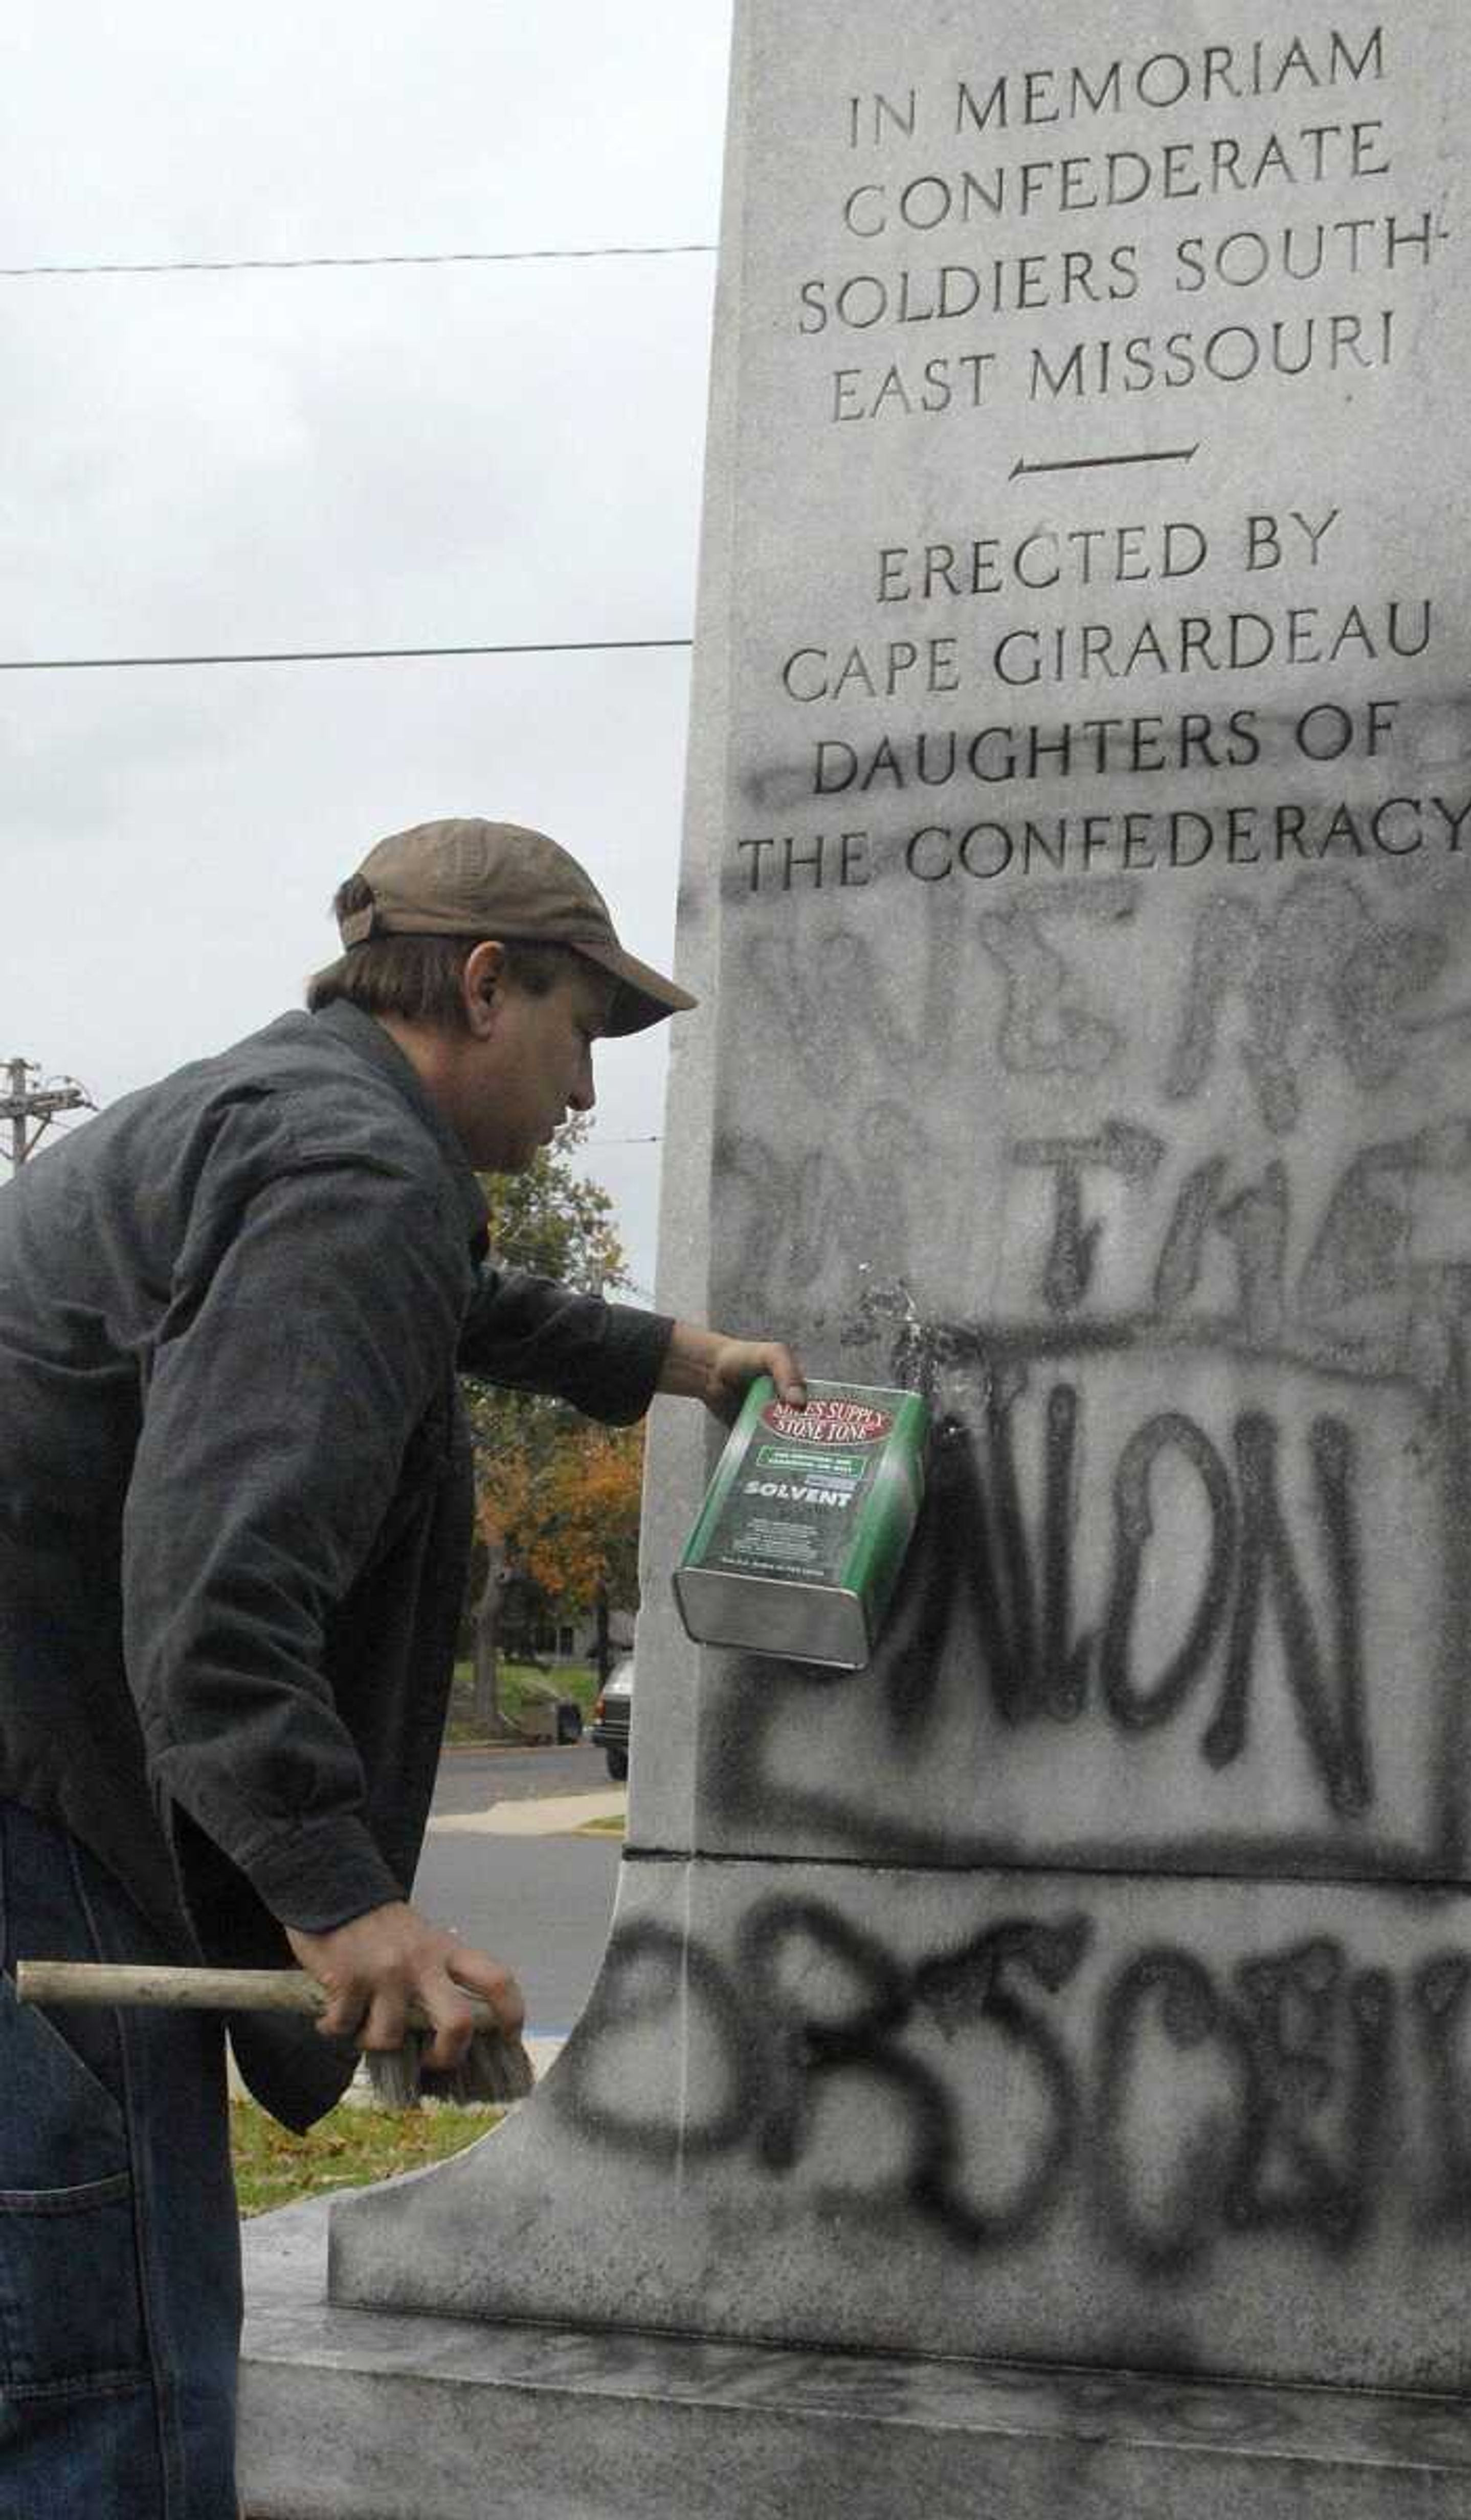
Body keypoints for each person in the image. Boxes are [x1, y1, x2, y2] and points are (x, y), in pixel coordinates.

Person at [0, 816, 801, 2515]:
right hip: (36, 1813)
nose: (587, 1096)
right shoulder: (354, 1174)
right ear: (488, 984)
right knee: (104, 2375)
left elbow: (454, 1296)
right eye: (586, 1036)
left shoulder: (284, 1114)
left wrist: (683, 1357)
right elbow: (215, 1598)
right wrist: (342, 1902)